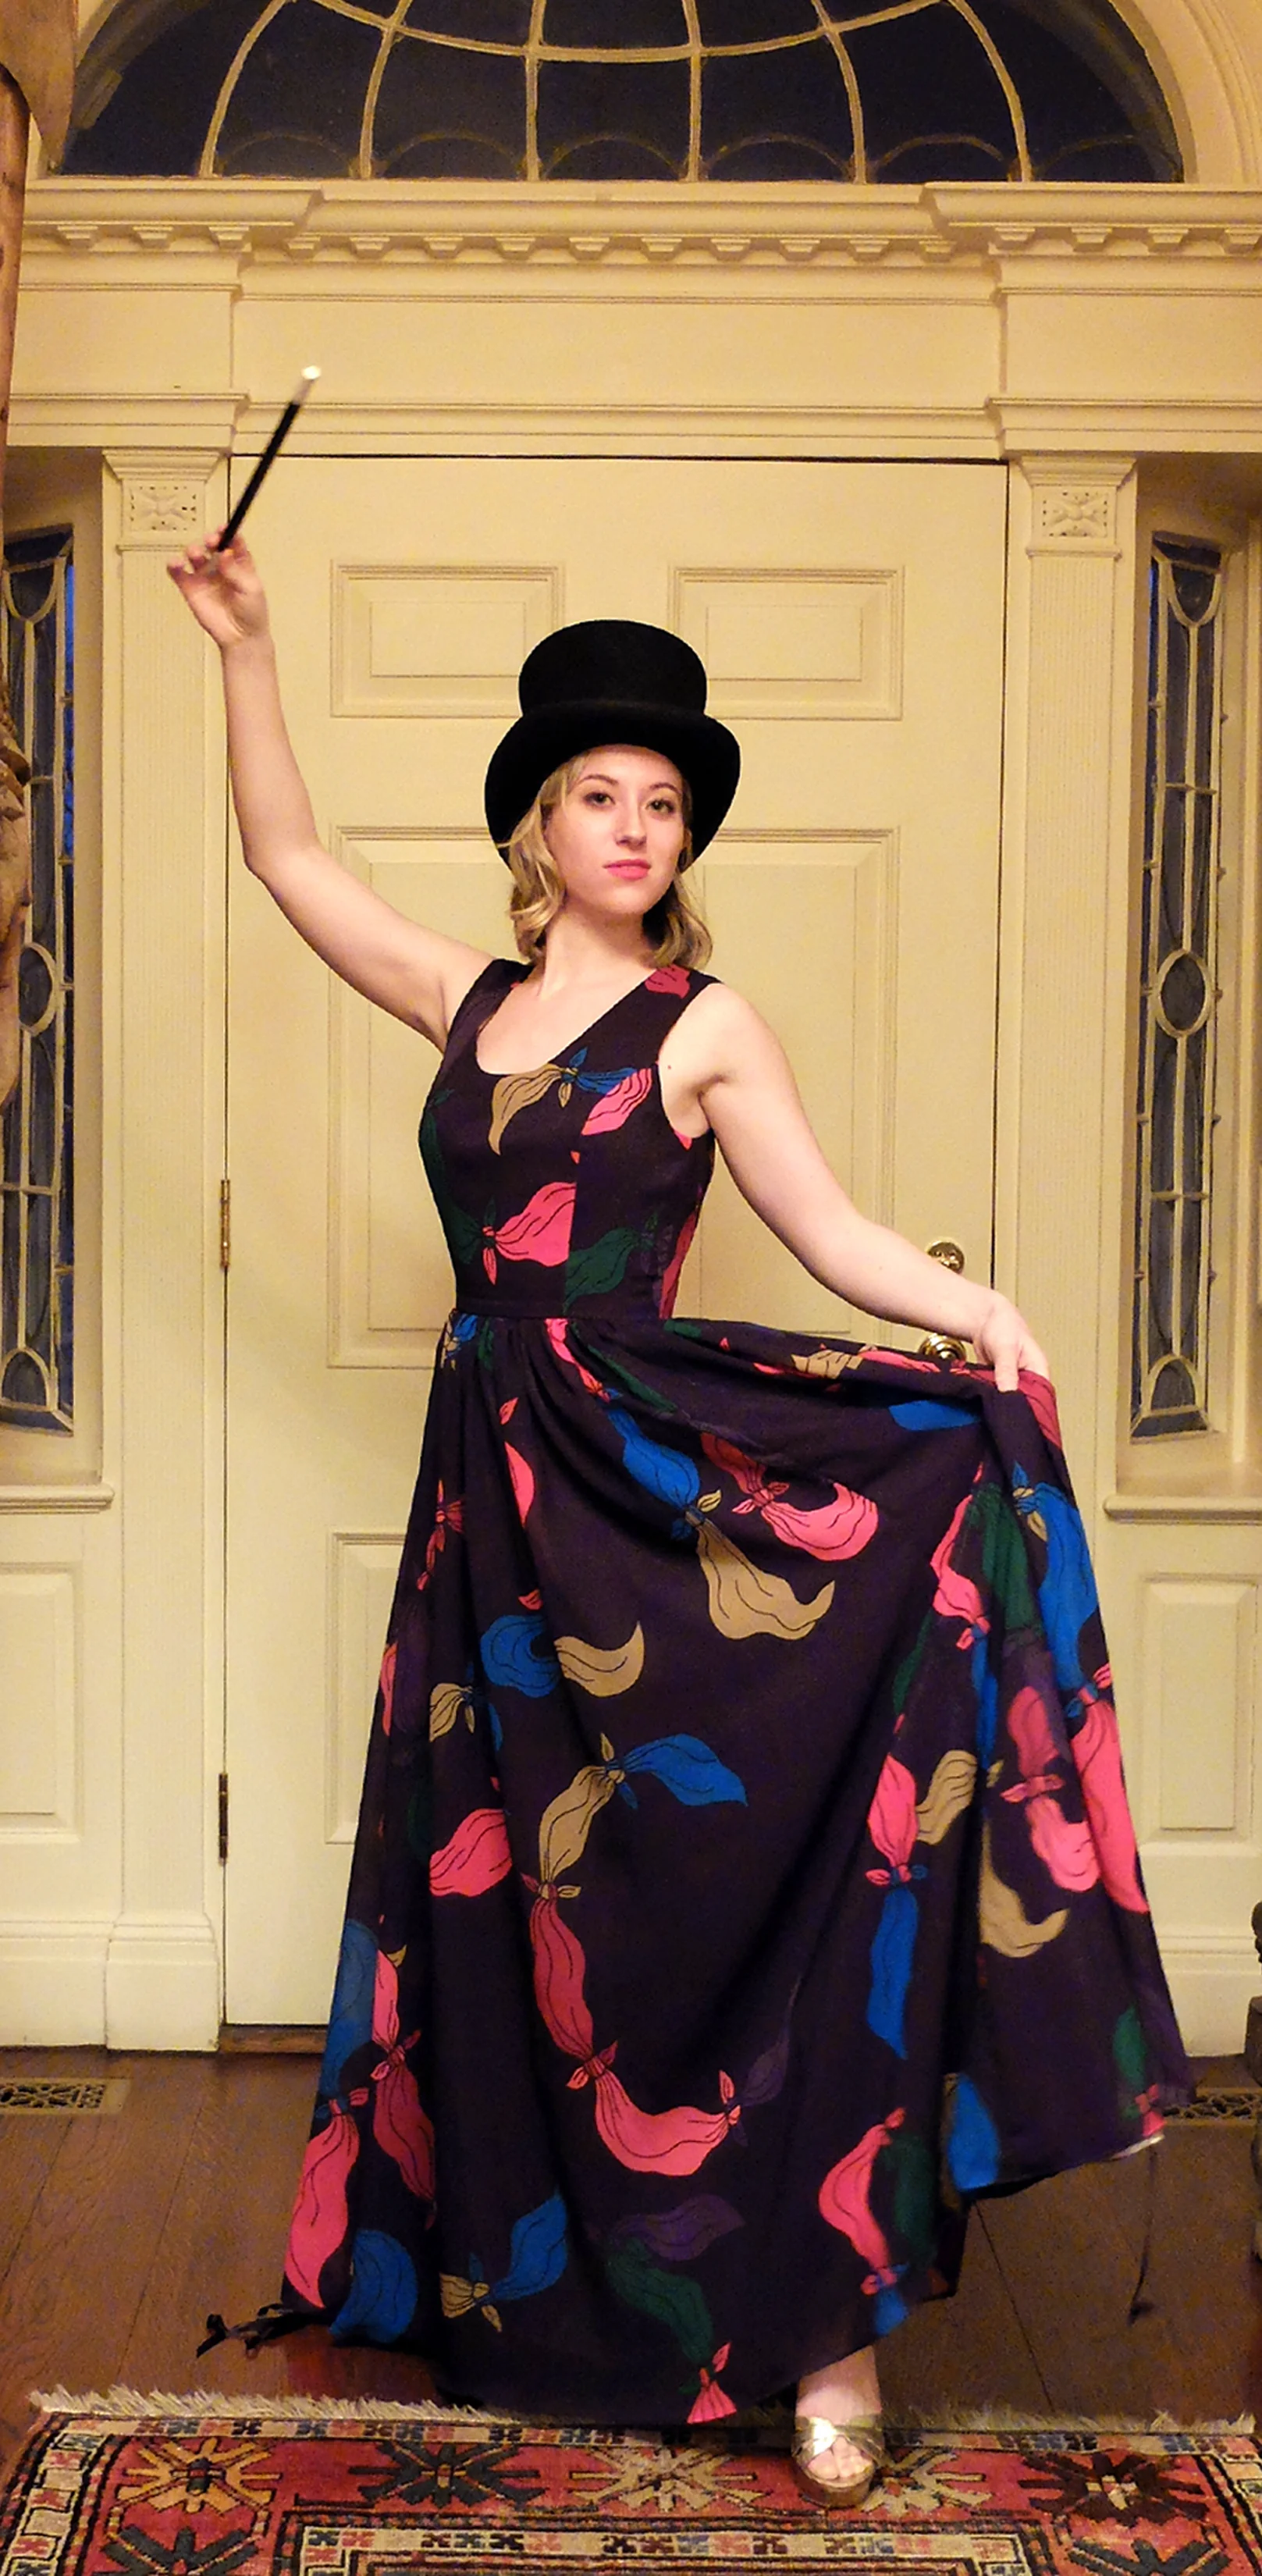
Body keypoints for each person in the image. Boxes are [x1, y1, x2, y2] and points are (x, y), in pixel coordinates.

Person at [171, 536, 1189, 2504]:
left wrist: (978, 1312)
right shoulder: (463, 1002)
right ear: (538, 833)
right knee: (532, 1900)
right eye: (599, 796)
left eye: (662, 801)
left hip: (654, 1489)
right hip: (495, 1508)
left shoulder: (705, 1027)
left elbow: (829, 1230)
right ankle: (540, 2289)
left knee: (720, 1882)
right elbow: (286, 861)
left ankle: (828, 2333)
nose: (635, 826)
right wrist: (250, 649)